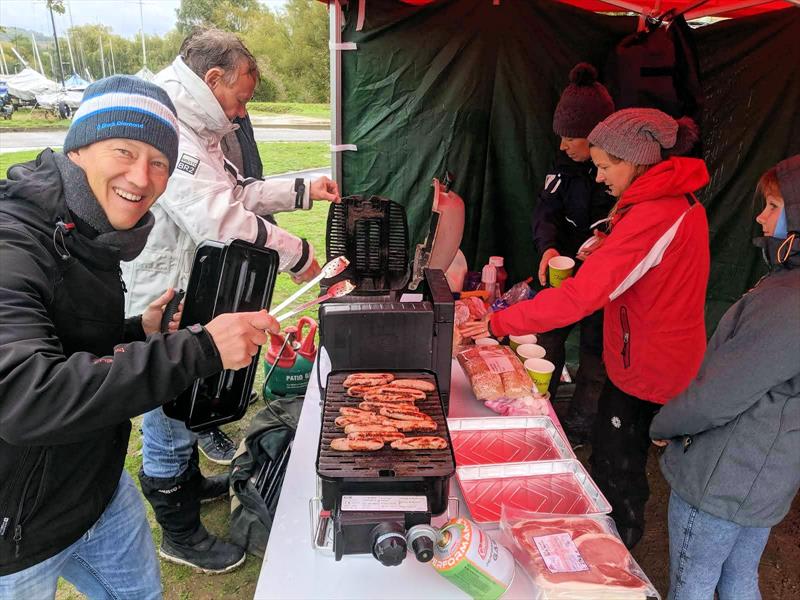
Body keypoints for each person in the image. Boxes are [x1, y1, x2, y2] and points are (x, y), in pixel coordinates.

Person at [0, 75, 279, 597]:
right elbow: (23, 395)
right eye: (123, 150)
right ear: (79, 148)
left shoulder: (92, 232)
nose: (142, 176)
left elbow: (69, 350)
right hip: (14, 535)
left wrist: (140, 331)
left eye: (159, 162)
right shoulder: (14, 242)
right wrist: (203, 348)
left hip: (97, 490)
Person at [120, 28, 340, 574]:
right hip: (163, 292)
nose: (242, 112)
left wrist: (300, 189)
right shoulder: (167, 123)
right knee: (168, 410)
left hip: (192, 282)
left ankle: (190, 483)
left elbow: (235, 192)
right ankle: (180, 533)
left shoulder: (199, 123)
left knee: (189, 396)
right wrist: (299, 254)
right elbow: (217, 218)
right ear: (212, 79)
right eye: (240, 97)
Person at [462, 108, 708, 549]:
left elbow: (580, 299)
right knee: (610, 445)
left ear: (634, 161)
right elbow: (643, 264)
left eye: (605, 166)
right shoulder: (661, 199)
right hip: (646, 351)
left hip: (650, 364)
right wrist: (607, 243)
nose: (598, 178)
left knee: (618, 460)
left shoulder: (657, 212)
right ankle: (609, 532)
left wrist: (499, 321)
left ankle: (614, 554)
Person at [650, 155, 800, 600]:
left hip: (728, 476)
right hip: (768, 474)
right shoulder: (786, 287)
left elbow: (719, 394)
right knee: (738, 578)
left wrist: (665, 423)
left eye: (773, 206)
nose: (760, 215)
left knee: (692, 583)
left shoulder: (787, 304)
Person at [531, 62, 614, 446]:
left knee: (596, 355)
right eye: (560, 137)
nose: (563, 145)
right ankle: (540, 413)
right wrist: (547, 247)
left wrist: (607, 240)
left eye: (570, 138)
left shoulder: (623, 171)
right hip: (563, 270)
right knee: (546, 340)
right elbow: (545, 209)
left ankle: (582, 427)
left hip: (605, 277)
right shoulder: (562, 164)